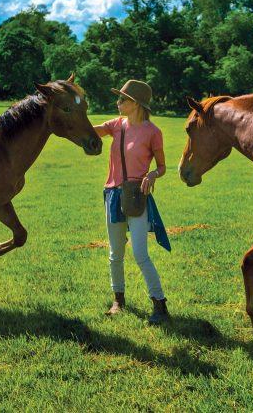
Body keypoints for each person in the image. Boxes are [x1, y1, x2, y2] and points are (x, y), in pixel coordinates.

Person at [94, 79, 171, 324]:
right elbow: (89, 131)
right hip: (113, 194)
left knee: (140, 253)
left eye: (122, 99)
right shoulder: (116, 125)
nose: (118, 102)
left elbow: (162, 167)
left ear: (135, 104)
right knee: (115, 253)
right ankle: (118, 299)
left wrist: (152, 174)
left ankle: (159, 305)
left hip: (137, 196)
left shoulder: (153, 132)